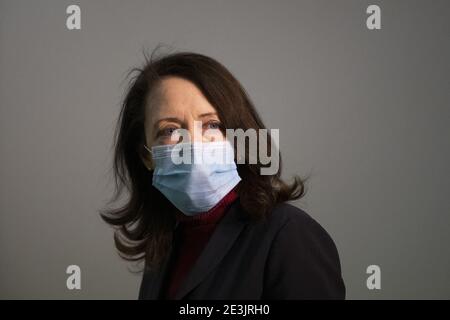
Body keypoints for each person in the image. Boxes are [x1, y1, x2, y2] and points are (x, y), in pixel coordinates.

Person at [101, 51, 346, 299]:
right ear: (146, 156)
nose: (193, 144)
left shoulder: (289, 235)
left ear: (237, 139)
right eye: (170, 130)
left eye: (212, 125)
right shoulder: (164, 249)